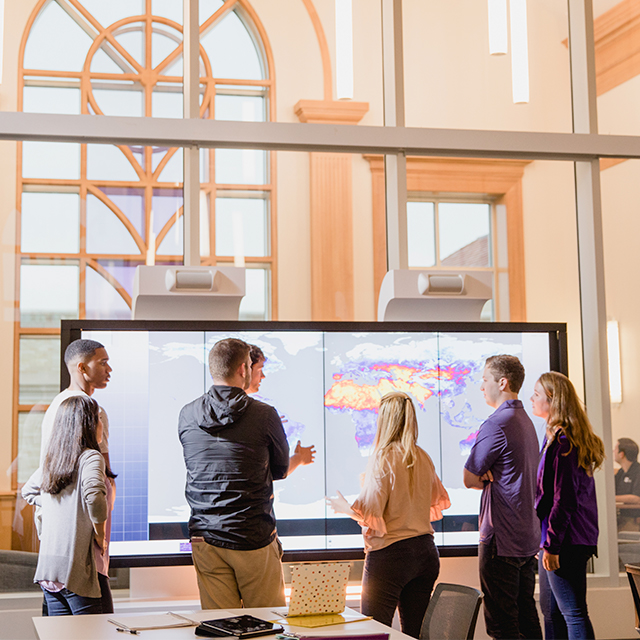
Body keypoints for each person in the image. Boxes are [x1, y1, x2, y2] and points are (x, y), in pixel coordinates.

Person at [178, 337, 316, 609]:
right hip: (251, 535)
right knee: (266, 624)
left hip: (204, 538)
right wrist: (297, 458)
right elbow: (278, 470)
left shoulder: (187, 413)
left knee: (220, 627)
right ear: (243, 369)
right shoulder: (264, 414)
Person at [327, 392, 450, 639]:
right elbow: (435, 499)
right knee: (414, 633)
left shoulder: (383, 457)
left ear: (384, 421)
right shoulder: (422, 456)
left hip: (391, 556)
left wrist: (347, 509)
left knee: (372, 632)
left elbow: (372, 511)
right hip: (425, 552)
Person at [463, 355, 542, 640]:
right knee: (526, 618)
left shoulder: (496, 424)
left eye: (485, 379)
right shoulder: (526, 421)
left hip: (501, 538)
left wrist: (483, 475)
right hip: (524, 538)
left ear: (502, 382)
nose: (481, 386)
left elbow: (469, 477)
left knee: (502, 626)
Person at [22, 395, 114, 615]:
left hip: (50, 571)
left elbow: (28, 491)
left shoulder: (54, 459)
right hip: (79, 570)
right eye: (98, 418)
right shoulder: (90, 457)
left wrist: (60, 506)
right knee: (99, 633)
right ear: (88, 424)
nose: (102, 424)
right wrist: (100, 534)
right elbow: (94, 496)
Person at [531, 372, 604, 640]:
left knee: (573, 613)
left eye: (537, 395)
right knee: (551, 611)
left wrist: (551, 544)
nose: (532, 399)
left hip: (565, 540)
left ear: (553, 401)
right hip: (557, 538)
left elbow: (564, 499)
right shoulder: (556, 438)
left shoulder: (565, 443)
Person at [40, 339, 112, 468]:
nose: (109, 369)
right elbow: (104, 473)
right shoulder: (91, 409)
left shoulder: (58, 402)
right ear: (82, 367)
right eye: (103, 363)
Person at [614, 438, 640, 503]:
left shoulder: (638, 471)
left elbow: (636, 498)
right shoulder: (621, 472)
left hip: (635, 512)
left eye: (615, 449)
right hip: (620, 512)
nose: (613, 451)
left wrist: (611, 498)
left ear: (621, 454)